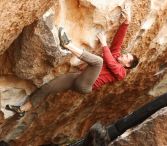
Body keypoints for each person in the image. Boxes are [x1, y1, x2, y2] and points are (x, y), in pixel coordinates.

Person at [5, 18, 139, 117]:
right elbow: (118, 41)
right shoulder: (116, 56)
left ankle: (67, 45)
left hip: (85, 86)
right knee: (47, 87)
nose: (123, 54)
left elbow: (109, 62)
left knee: (98, 61)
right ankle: (22, 110)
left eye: (126, 57)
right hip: (77, 78)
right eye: (126, 54)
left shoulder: (121, 73)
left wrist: (104, 44)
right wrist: (126, 22)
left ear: (127, 65)